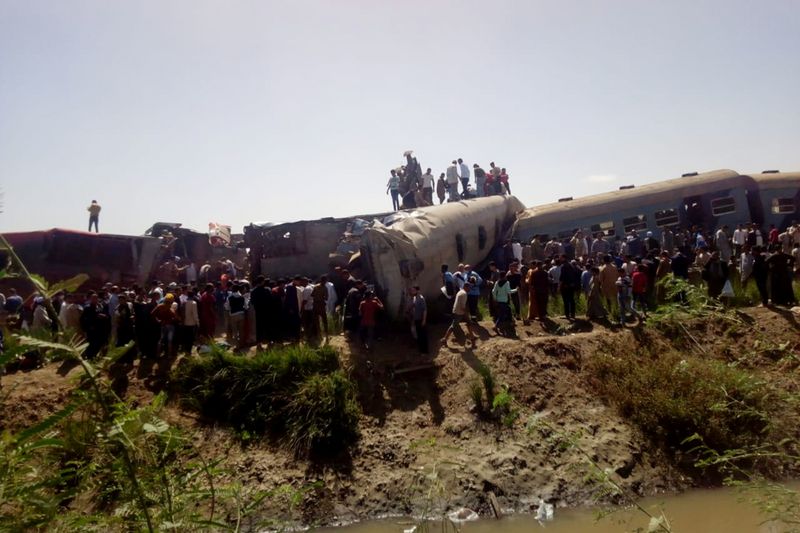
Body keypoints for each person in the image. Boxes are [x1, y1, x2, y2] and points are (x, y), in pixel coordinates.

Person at [407, 286, 428, 355]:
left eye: (413, 290)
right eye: (411, 290)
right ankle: (421, 350)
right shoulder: (414, 298)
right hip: (416, 319)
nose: (412, 292)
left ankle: (425, 351)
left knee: (422, 336)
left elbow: (424, 310)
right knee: (418, 335)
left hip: (420, 319)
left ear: (417, 291)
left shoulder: (421, 298)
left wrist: (424, 320)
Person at [225, 285, 247, 349]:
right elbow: (245, 307)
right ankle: (242, 344)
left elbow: (227, 307)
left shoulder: (229, 297)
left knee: (235, 331)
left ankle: (237, 346)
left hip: (233, 315)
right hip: (241, 314)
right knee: (241, 330)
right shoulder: (242, 297)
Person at [559, 256, 580, 320]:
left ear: (564, 258)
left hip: (565, 286)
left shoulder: (563, 267)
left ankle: (567, 315)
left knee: (566, 301)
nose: (560, 259)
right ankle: (573, 314)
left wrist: (560, 286)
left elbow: (562, 278)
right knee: (571, 300)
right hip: (571, 286)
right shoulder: (572, 266)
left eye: (561, 258)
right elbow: (576, 275)